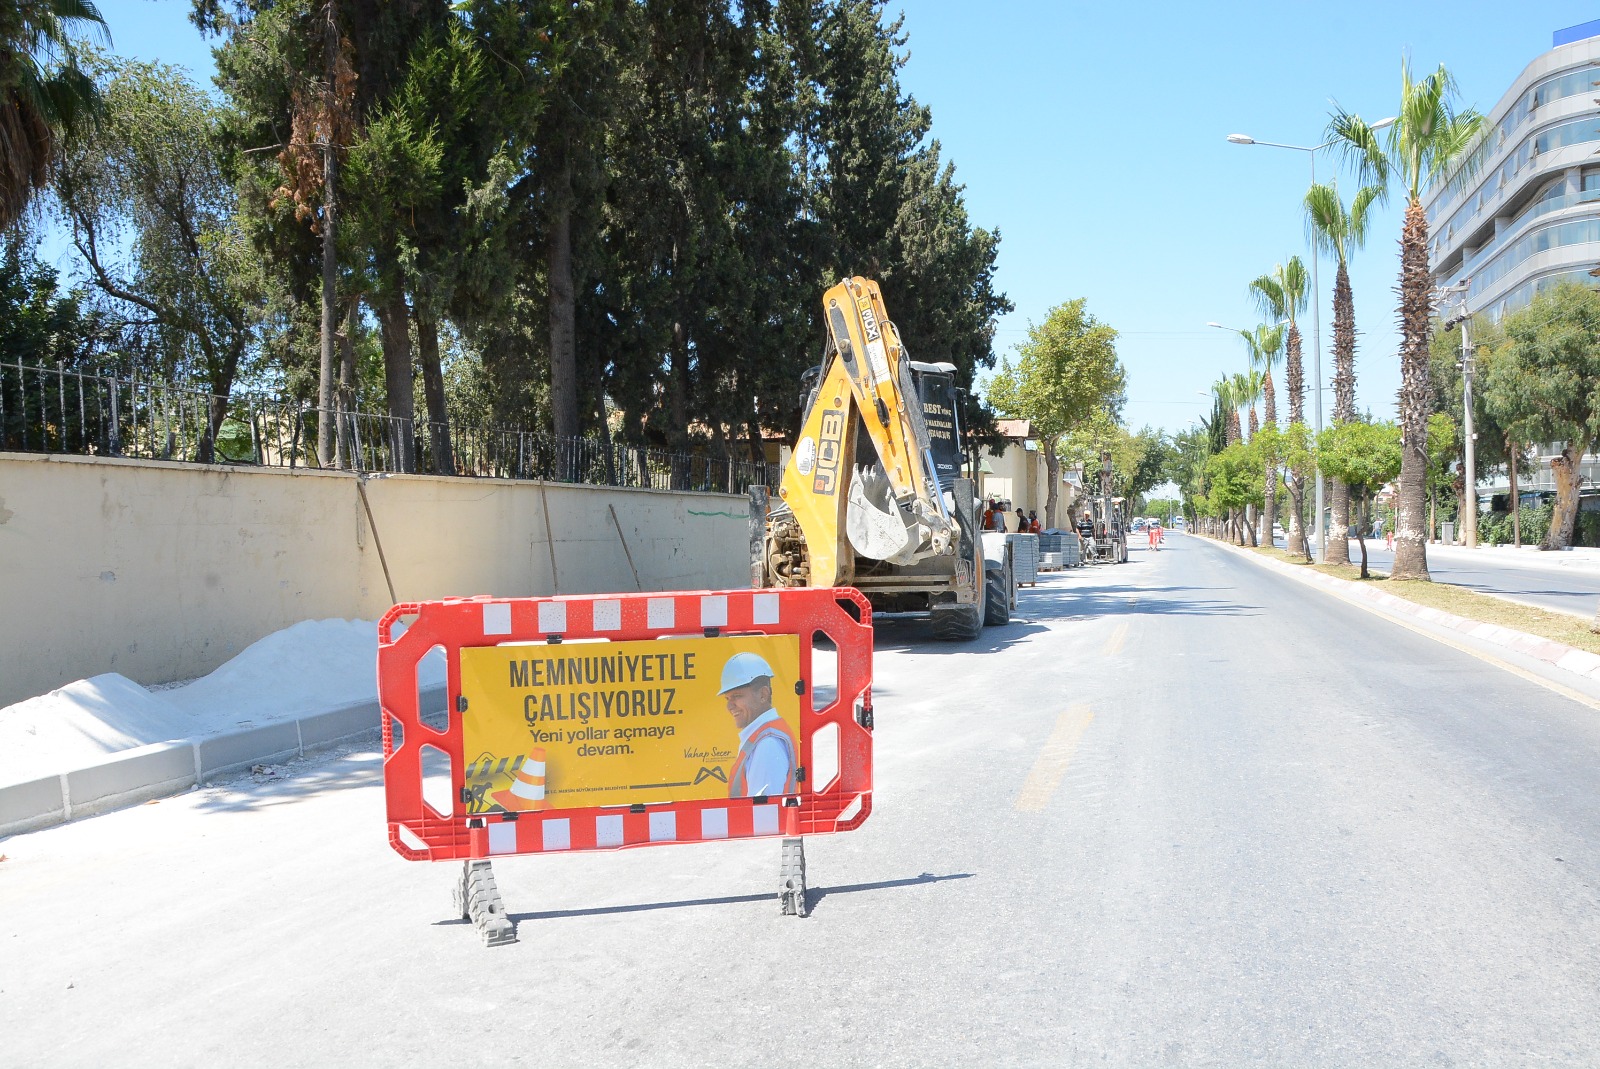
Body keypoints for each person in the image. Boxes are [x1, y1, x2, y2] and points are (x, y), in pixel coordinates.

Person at [718, 651, 797, 798]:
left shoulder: (767, 744)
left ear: (763, 695)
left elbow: (764, 814)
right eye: (727, 698)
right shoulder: (760, 737)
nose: (730, 706)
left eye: (737, 696)